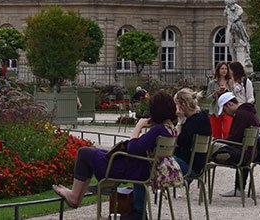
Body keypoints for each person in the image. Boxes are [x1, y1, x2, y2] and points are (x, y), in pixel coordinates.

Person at [52, 91, 178, 219]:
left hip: (130, 168)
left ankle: (75, 197)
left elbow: (132, 148)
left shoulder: (158, 130)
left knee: (84, 152)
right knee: (97, 152)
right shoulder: (169, 129)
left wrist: (138, 127)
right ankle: (76, 196)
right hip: (140, 166)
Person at [211, 91, 260, 197]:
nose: (225, 113)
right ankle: (239, 188)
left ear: (229, 104)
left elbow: (234, 139)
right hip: (249, 153)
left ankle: (193, 176)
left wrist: (217, 140)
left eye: (224, 110)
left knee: (210, 149)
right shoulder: (249, 113)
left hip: (241, 154)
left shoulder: (240, 115)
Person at [173, 88, 212, 175]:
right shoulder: (203, 117)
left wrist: (180, 122)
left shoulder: (191, 123)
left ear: (182, 105)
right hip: (199, 164)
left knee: (158, 160)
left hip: (189, 166)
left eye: (176, 104)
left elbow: (176, 141)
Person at [206, 62, 233, 139]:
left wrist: (228, 90)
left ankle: (227, 147)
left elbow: (234, 96)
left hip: (227, 110)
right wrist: (215, 93)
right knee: (216, 133)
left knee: (227, 131)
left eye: (226, 69)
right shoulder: (212, 83)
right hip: (215, 110)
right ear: (218, 70)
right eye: (222, 69)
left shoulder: (230, 82)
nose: (224, 71)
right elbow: (208, 98)